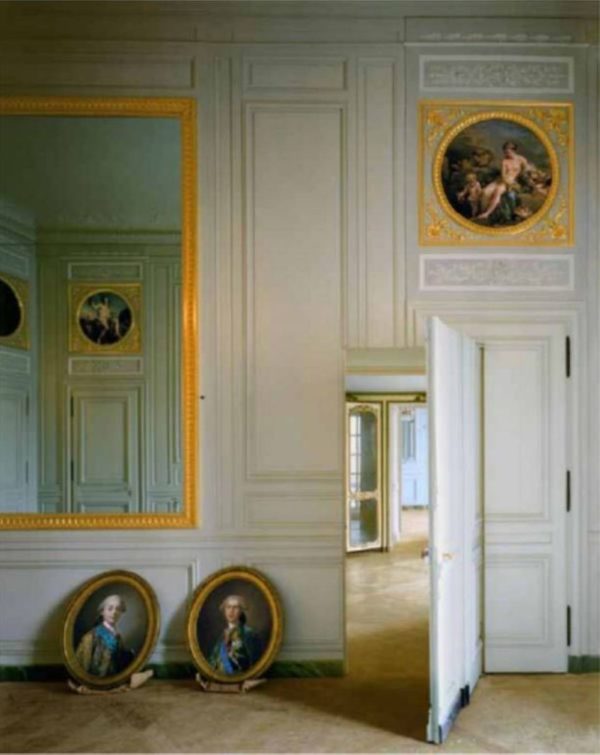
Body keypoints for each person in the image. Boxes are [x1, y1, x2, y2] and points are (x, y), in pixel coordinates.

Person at [75, 594, 134, 677]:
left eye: (118, 609)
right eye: (110, 609)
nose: (114, 612)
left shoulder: (117, 636)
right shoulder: (90, 637)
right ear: (102, 612)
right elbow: (84, 666)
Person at [476, 141, 535, 221]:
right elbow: (503, 175)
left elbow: (526, 171)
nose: (506, 154)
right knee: (485, 192)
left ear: (514, 151)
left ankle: (487, 214)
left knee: (497, 192)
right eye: (505, 152)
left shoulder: (521, 159)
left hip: (511, 182)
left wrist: (521, 180)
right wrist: (506, 182)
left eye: (508, 152)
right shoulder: (504, 161)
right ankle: (482, 212)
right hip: (501, 180)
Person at [209, 595, 261, 675]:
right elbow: (214, 661)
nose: (231, 611)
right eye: (228, 607)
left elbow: (253, 662)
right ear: (224, 611)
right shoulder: (222, 636)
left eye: (235, 607)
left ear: (241, 611)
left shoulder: (249, 634)